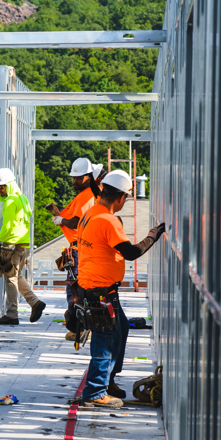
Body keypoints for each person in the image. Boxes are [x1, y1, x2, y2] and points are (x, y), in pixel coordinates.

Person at [75, 169, 165, 408]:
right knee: (104, 341)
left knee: (120, 329)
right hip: (100, 291)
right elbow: (131, 252)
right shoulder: (108, 220)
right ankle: (95, 392)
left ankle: (107, 380)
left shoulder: (91, 213)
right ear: (121, 198)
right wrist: (152, 236)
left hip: (95, 287)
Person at [44, 158, 103, 340]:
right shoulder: (88, 195)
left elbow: (78, 221)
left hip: (81, 250)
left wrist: (61, 220)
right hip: (82, 248)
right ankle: (81, 324)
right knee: (79, 289)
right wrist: (60, 216)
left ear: (87, 177)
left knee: (76, 290)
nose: (73, 181)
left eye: (77, 178)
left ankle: (80, 328)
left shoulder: (87, 196)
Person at [0, 167, 46, 325]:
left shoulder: (10, 201)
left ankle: (12, 314)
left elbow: (8, 226)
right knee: (16, 276)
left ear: (9, 185)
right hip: (24, 245)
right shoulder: (22, 198)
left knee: (10, 279)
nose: (0, 190)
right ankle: (34, 302)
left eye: (2, 187)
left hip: (12, 246)